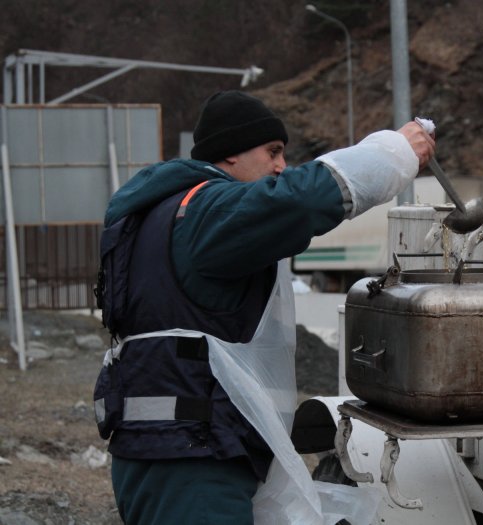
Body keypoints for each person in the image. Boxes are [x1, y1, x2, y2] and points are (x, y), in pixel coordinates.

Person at [93, 90, 435, 525]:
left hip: (170, 449)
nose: (279, 166)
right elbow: (300, 200)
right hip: (193, 458)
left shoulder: (162, 215)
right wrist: (395, 152)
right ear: (230, 155)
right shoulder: (204, 212)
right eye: (272, 152)